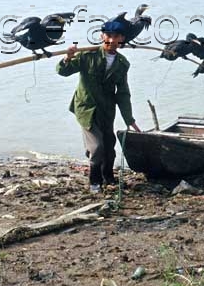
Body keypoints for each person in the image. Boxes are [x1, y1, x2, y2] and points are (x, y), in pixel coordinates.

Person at [57, 21, 141, 193]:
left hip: (107, 110)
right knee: (97, 147)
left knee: (109, 146)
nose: (111, 40)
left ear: (121, 39)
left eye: (116, 37)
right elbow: (63, 71)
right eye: (108, 36)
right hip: (86, 108)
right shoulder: (87, 55)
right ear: (102, 36)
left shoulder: (122, 63)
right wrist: (68, 57)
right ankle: (94, 182)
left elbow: (123, 93)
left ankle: (108, 177)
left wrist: (129, 119)